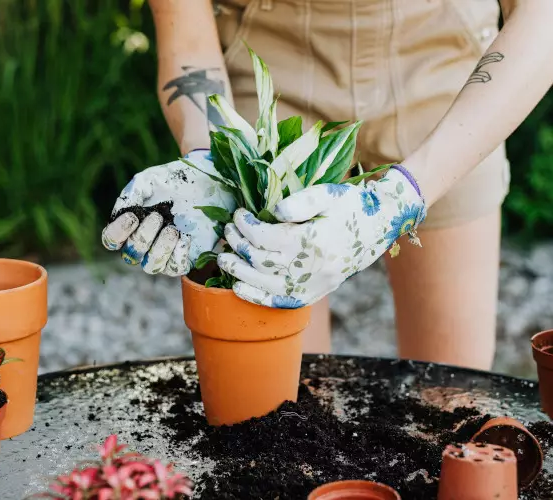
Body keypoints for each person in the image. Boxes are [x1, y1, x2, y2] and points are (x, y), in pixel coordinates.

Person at [102, 0, 553, 370]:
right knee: (286, 409)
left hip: (449, 73)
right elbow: (188, 33)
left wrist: (403, 196)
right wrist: (208, 159)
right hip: (272, 78)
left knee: (453, 395)